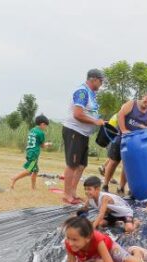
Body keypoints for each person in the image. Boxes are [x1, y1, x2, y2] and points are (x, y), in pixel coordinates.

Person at [49, 216, 147, 262]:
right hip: (94, 257)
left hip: (110, 248)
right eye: (68, 238)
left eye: (75, 239)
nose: (70, 243)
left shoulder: (97, 239)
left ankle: (136, 251)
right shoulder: (69, 243)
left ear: (88, 238)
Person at [61, 69, 106, 204]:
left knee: (81, 165)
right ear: (94, 79)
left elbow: (90, 113)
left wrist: (101, 122)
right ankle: (66, 195)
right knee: (72, 164)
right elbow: (78, 114)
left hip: (84, 133)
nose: (101, 84)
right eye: (101, 81)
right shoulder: (82, 92)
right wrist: (94, 121)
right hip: (74, 131)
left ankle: (73, 193)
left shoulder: (91, 94)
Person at [102, 91, 147, 193]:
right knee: (113, 161)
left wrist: (143, 127)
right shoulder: (132, 104)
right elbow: (120, 115)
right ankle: (105, 185)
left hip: (135, 142)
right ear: (143, 96)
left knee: (128, 165)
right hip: (121, 136)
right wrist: (123, 130)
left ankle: (121, 187)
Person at [10, 115, 51, 190]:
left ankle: (33, 188)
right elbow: (42, 146)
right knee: (29, 171)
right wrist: (48, 144)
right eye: (45, 126)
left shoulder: (32, 130)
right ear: (42, 124)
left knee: (35, 171)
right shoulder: (41, 133)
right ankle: (14, 178)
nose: (45, 128)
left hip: (29, 151)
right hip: (34, 153)